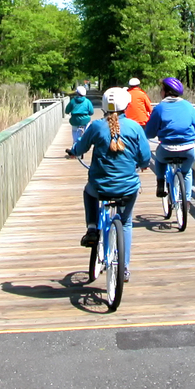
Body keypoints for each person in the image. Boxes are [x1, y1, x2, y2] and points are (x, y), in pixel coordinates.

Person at [66, 87, 150, 282]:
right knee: (126, 222)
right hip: (127, 188)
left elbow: (80, 147)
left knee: (89, 191)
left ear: (103, 107)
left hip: (100, 186)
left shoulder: (96, 126)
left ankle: (93, 227)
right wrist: (142, 165)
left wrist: (73, 151)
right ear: (127, 105)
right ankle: (125, 268)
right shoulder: (135, 128)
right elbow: (145, 158)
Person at [144, 76, 195, 201]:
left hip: (167, 148)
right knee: (186, 172)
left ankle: (160, 183)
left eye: (161, 89)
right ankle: (186, 201)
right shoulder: (188, 106)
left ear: (165, 92)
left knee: (160, 159)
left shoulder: (159, 108)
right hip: (188, 149)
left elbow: (149, 133)